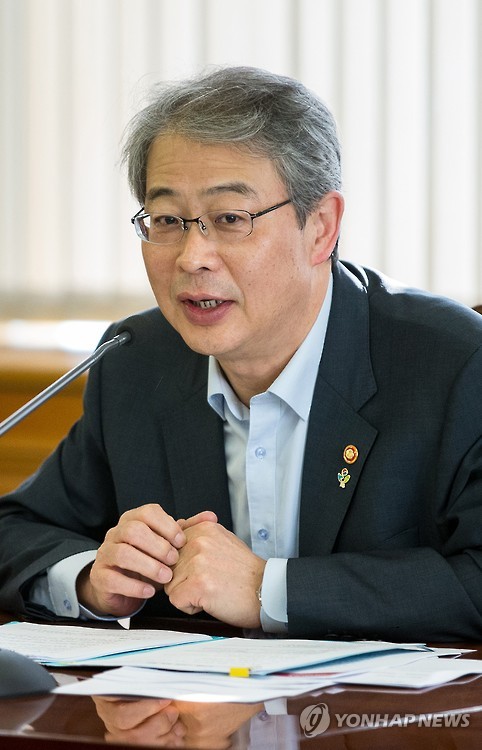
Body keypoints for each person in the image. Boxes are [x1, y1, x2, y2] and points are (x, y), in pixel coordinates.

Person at [0, 66, 481, 642]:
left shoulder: (454, 364)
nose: (192, 257)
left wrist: (266, 589)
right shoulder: (137, 361)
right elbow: (15, 529)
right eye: (167, 220)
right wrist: (89, 578)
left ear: (321, 227)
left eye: (230, 219)